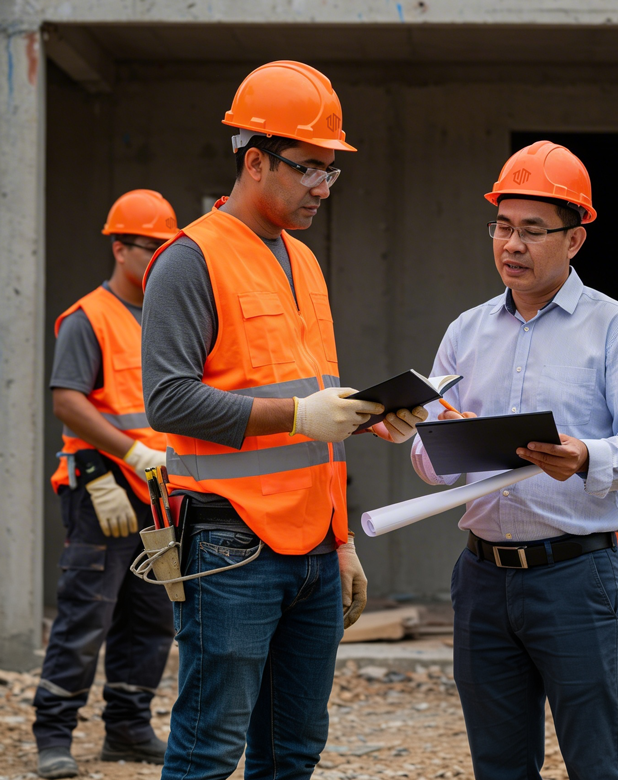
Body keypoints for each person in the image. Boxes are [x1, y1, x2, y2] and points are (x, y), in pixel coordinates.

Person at [141, 60, 427, 780]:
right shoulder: (189, 259)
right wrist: (300, 415)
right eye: (309, 168)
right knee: (208, 751)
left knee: (293, 753)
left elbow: (310, 404)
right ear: (255, 160)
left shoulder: (302, 260)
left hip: (313, 552)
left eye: (332, 170)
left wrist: (343, 531)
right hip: (230, 547)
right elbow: (168, 400)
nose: (323, 187)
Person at [410, 141, 618, 780]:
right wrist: (433, 438)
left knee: (595, 761)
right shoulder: (466, 331)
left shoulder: (616, 328)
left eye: (532, 230)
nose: (512, 245)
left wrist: (585, 456)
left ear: (574, 240)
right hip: (482, 579)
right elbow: (429, 457)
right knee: (499, 764)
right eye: (502, 227)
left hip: (575, 578)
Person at [34, 190, 178, 779]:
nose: (160, 260)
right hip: (102, 487)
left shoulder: (167, 319)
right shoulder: (87, 317)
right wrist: (127, 455)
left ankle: (128, 728)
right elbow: (68, 401)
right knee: (85, 614)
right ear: (120, 249)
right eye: (150, 248)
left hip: (157, 493)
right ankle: (53, 735)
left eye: (167, 249)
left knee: (151, 616)